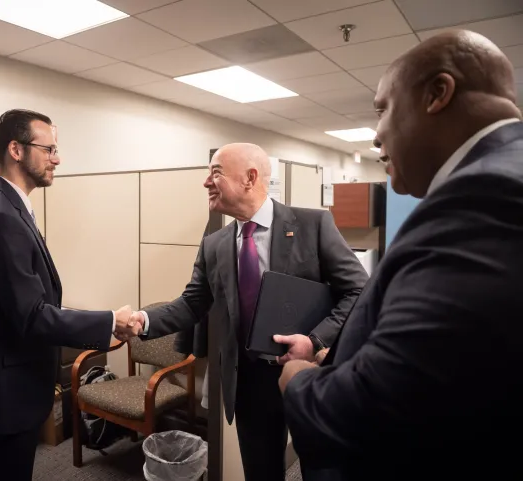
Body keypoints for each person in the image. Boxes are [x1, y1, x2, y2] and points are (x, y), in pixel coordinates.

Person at [279, 30, 523, 481]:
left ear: (438, 93)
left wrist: (298, 379)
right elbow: (447, 355)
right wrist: (333, 355)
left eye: (383, 109)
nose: (376, 136)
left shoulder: (485, 196)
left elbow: (377, 412)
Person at [126, 143, 369, 480]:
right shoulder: (215, 243)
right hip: (249, 380)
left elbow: (359, 290)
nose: (206, 182)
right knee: (261, 471)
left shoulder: (313, 225)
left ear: (249, 178)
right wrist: (145, 319)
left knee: (322, 468)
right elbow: (193, 302)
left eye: (215, 173)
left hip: (309, 370)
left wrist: (315, 340)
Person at [0, 109, 141, 481]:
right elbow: (33, 316)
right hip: (0, 395)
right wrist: (108, 322)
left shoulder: (8, 207)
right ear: (16, 150)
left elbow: (27, 301)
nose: (58, 158)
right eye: (49, 149)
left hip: (4, 387)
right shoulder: (0, 217)